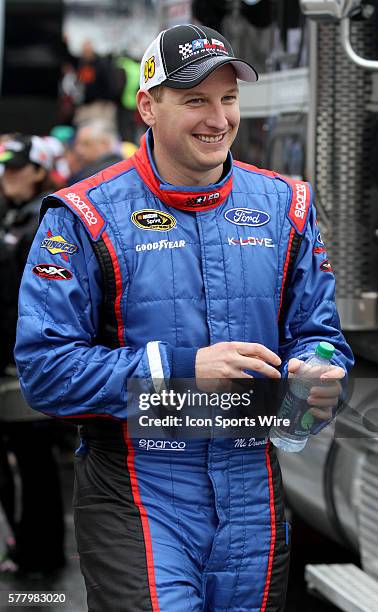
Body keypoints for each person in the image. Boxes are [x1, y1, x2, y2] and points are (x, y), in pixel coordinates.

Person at [15, 24, 353, 611]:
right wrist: (181, 369)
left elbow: (319, 334)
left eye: (228, 99)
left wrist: (318, 375)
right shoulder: (83, 214)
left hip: (253, 493)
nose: (217, 118)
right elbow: (44, 370)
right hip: (138, 494)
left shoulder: (286, 206)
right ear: (147, 105)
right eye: (195, 99)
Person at [0, 135, 66, 574]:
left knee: (36, 464)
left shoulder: (47, 220)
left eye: (17, 167)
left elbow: (46, 300)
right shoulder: (14, 217)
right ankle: (26, 549)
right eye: (5, 167)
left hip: (28, 366)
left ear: (40, 170)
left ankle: (41, 557)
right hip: (10, 362)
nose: (8, 175)